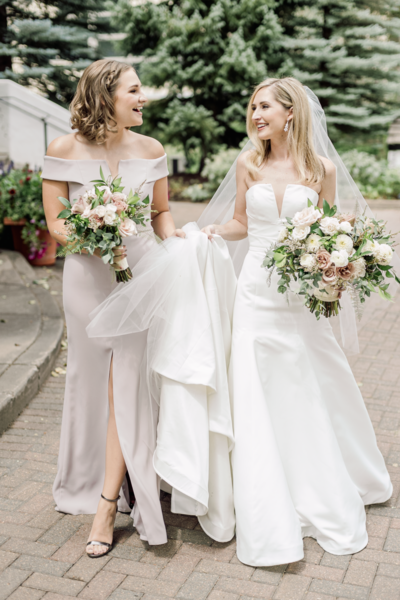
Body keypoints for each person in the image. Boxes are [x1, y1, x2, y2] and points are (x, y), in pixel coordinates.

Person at [201, 77, 393, 567]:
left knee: (311, 381)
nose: (255, 114)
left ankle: (331, 476)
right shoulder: (249, 162)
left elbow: (330, 233)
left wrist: (336, 270)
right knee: (255, 386)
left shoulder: (321, 169)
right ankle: (264, 489)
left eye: (264, 106)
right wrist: (213, 231)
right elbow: (243, 222)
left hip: (301, 296)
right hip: (255, 294)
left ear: (291, 112)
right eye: (252, 107)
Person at [42, 59, 184, 557]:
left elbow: (161, 212)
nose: (143, 99)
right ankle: (94, 481)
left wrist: (175, 245)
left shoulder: (152, 149)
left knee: (125, 384)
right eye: (135, 90)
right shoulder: (62, 149)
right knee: (89, 379)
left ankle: (109, 504)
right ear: (106, 95)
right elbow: (56, 225)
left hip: (142, 277)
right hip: (87, 276)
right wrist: (95, 236)